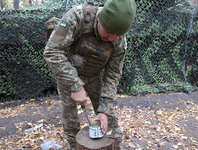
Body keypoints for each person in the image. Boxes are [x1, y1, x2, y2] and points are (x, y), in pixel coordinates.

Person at [43, 0, 136, 149]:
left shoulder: (119, 42)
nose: (112, 38)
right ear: (100, 19)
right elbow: (52, 52)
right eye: (109, 32)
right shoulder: (76, 17)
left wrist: (104, 110)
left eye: (117, 35)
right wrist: (75, 85)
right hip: (68, 74)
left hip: (94, 76)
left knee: (110, 123)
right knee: (71, 123)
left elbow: (113, 75)